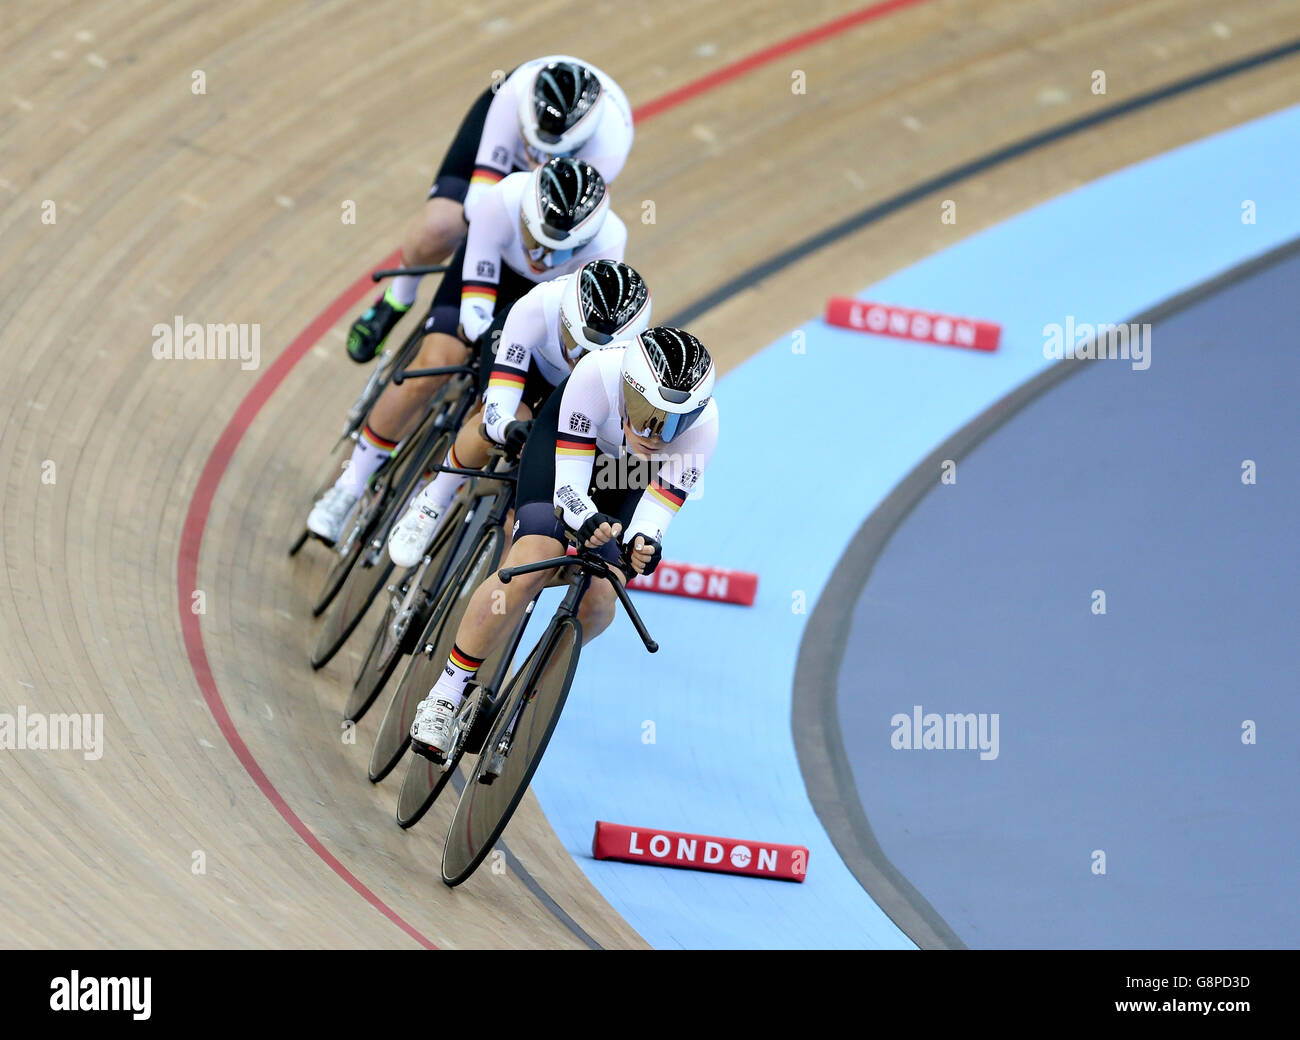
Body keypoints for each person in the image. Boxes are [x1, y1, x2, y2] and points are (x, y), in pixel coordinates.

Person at [408, 327, 719, 760]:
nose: (656, 433)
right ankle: (446, 692)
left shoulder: (704, 427)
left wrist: (643, 545)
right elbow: (568, 487)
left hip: (625, 478)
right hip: (565, 454)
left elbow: (657, 511)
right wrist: (585, 520)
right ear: (628, 388)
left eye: (673, 424)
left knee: (603, 595)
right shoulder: (597, 375)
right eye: (648, 414)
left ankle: (525, 700)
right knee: (533, 557)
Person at [306, 157, 626, 544]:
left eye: (557, 251)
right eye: (535, 239)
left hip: (543, 316)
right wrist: (482, 340)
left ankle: (445, 482)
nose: (541, 258)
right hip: (490, 278)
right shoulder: (505, 197)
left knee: (503, 415)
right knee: (438, 362)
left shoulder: (608, 242)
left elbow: (582, 335)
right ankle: (349, 485)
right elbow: (475, 299)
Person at [345, 57, 633, 364]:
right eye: (534, 141)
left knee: (538, 238)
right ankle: (396, 299)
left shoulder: (608, 150)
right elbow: (482, 191)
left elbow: (559, 214)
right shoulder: (515, 92)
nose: (535, 152)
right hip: (505, 140)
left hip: (557, 185)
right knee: (439, 227)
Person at [387, 259, 653, 567]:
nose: (578, 359)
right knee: (505, 419)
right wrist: (507, 426)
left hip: (579, 397)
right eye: (572, 344)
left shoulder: (631, 366)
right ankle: (433, 500)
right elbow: (500, 407)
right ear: (563, 317)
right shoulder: (537, 307)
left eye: (591, 355)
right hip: (527, 364)